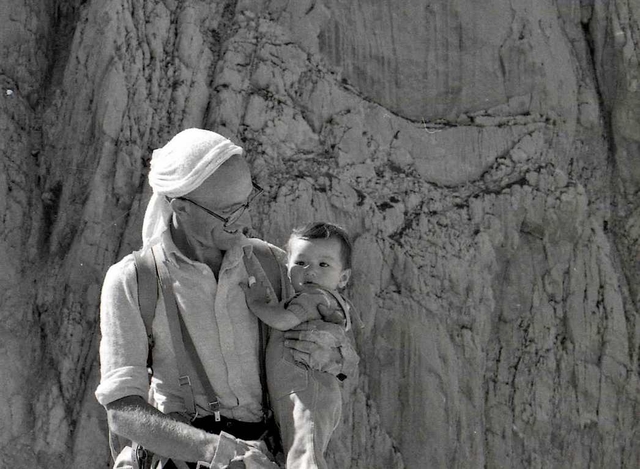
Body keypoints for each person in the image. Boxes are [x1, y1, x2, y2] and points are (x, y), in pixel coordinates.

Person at [95, 128, 359, 468]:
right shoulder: (133, 280)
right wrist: (217, 453)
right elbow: (122, 412)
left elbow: (338, 360)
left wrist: (334, 352)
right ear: (181, 208)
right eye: (228, 212)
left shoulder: (274, 264)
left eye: (247, 202)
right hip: (187, 458)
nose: (244, 220)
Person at [242, 222, 361, 469]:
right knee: (297, 453)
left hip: (307, 392)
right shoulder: (333, 302)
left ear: (344, 277)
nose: (311, 272)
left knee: (305, 457)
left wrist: (256, 303)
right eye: (301, 263)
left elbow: (283, 320)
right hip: (304, 391)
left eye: (323, 264)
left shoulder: (313, 297)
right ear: (287, 267)